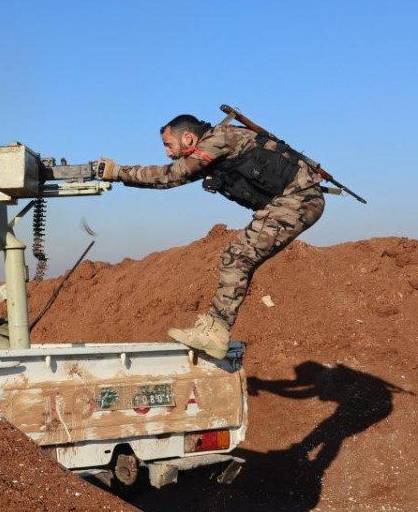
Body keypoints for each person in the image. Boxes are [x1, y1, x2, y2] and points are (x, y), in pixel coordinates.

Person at [97, 114, 325, 357]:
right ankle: (215, 327)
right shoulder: (211, 154)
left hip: (299, 200)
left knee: (237, 257)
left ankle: (216, 332)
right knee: (237, 257)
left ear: (188, 138)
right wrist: (117, 175)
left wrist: (118, 171)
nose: (167, 152)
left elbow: (172, 174)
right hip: (292, 202)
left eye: (168, 145)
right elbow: (165, 181)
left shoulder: (220, 139)